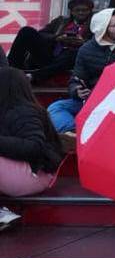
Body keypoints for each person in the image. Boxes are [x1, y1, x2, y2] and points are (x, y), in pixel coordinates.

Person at [46, 9, 115, 136]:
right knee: (56, 108)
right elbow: (76, 78)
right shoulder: (87, 50)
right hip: (94, 99)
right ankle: (76, 135)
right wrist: (77, 90)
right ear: (103, 29)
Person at [0, 67, 66, 228]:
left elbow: (34, 147)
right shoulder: (9, 111)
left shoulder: (24, 112)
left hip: (35, 174)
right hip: (25, 171)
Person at [8, 0, 94, 82]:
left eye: (84, 10)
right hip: (51, 54)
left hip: (72, 58)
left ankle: (34, 76)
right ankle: (10, 69)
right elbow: (42, 34)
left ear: (90, 11)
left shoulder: (95, 24)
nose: (81, 13)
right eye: (77, 10)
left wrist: (83, 42)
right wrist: (57, 38)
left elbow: (98, 42)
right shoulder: (61, 21)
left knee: (75, 53)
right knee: (26, 31)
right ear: (71, 11)